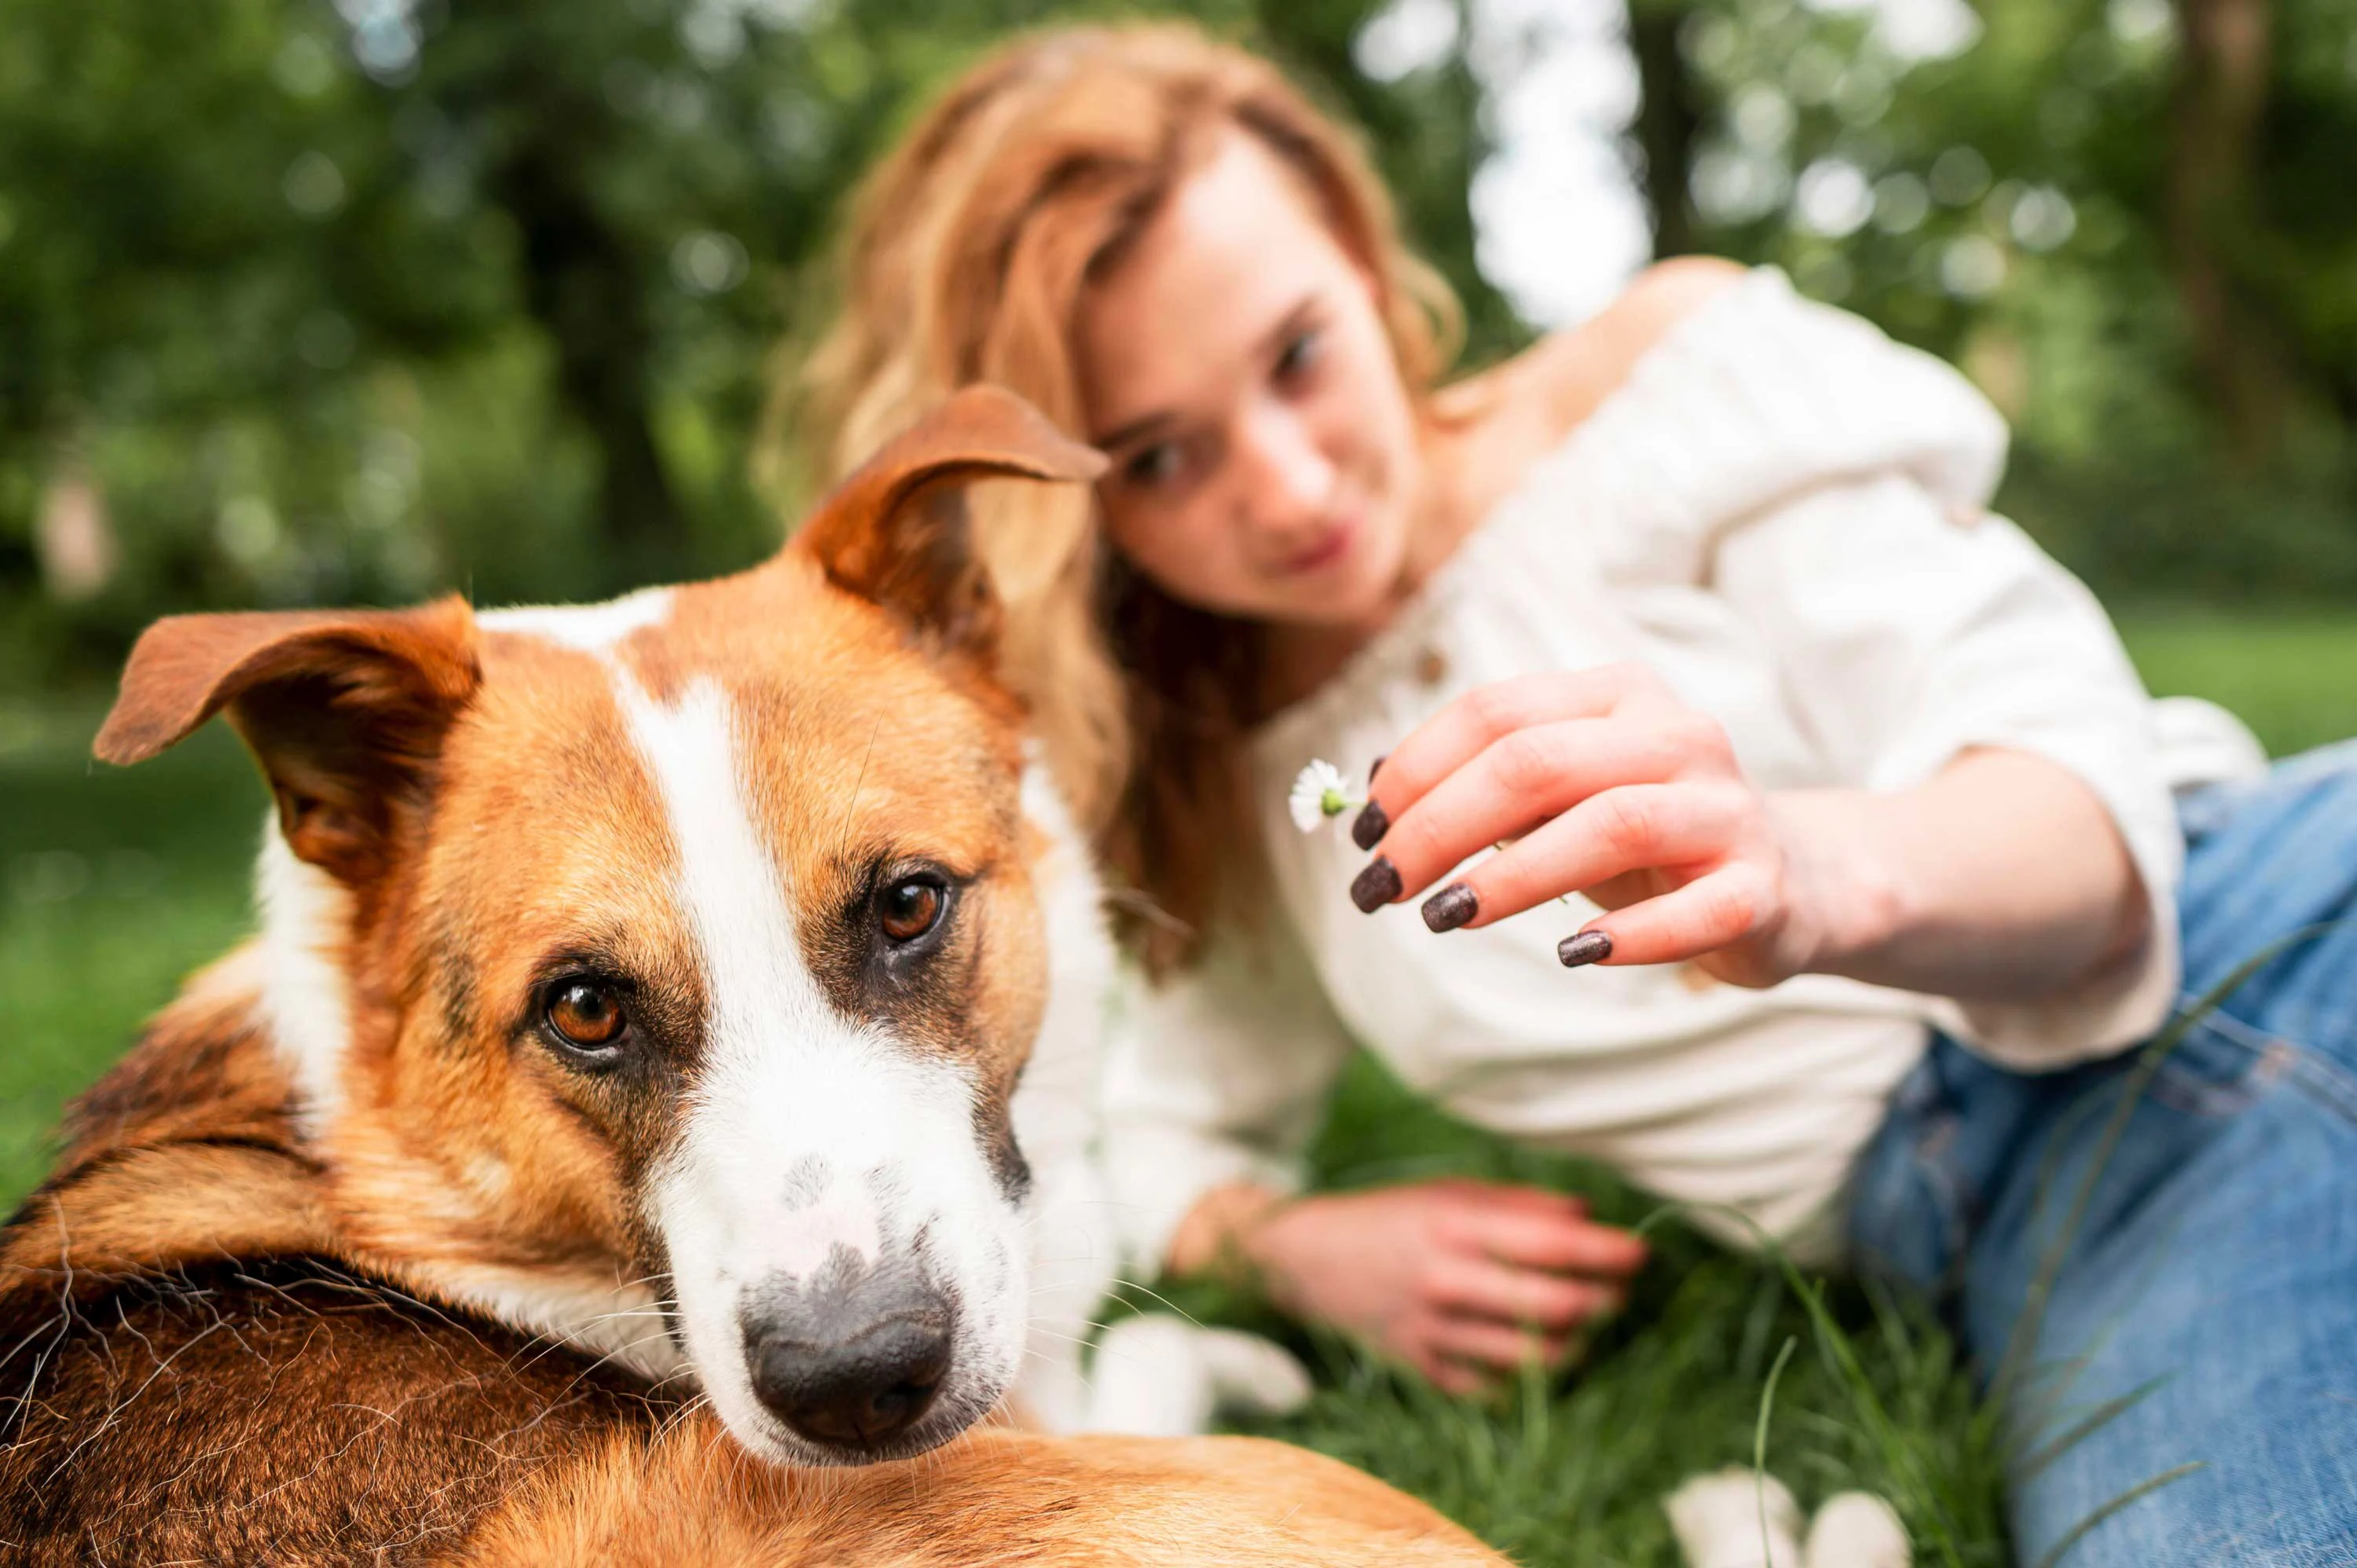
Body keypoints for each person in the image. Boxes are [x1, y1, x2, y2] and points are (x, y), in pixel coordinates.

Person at [787, 23, 2357, 1565]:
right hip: (2042, 1218)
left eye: (1297, 356)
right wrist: (1290, 1241)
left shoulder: (1660, 411)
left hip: (2256, 947)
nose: (1291, 486)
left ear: (1355, 245)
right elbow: (1147, 1118)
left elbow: (2081, 806)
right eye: (1162, 460)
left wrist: (1806, 872)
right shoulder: (1229, 761)